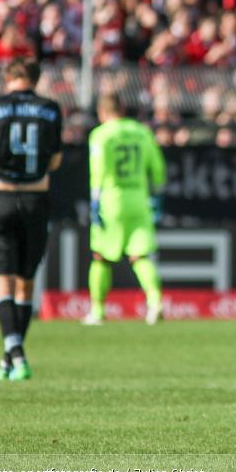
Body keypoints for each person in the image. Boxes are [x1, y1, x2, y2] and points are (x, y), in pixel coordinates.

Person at [0, 57, 63, 381]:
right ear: (35, 80)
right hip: (36, 198)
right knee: (25, 283)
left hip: (0, 196)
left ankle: (14, 353)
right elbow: (54, 160)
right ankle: (11, 357)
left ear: (8, 77)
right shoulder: (51, 109)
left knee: (3, 279)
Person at [82, 92, 166, 326]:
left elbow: (97, 168)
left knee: (100, 256)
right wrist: (157, 197)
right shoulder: (142, 132)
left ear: (102, 112)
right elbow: (158, 168)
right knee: (140, 255)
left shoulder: (100, 135)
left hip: (111, 199)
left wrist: (95, 200)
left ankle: (97, 311)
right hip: (139, 198)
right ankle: (155, 302)